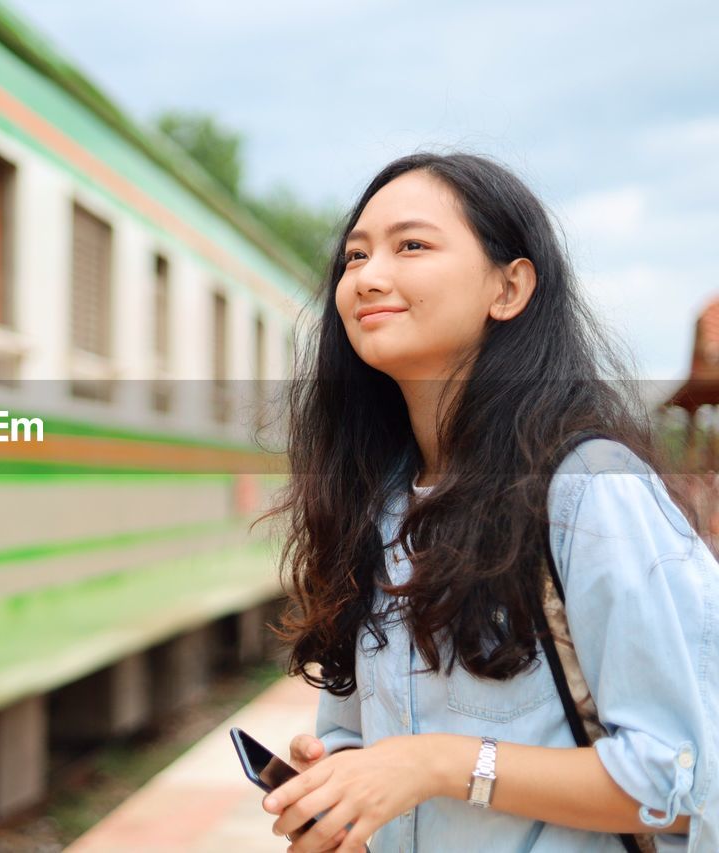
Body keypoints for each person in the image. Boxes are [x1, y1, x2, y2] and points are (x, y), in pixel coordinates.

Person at [256, 152, 717, 851]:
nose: (367, 276)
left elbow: (688, 781)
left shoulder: (589, 490)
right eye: (354, 255)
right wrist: (345, 789)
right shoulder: (373, 506)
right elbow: (352, 734)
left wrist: (437, 763)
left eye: (412, 245)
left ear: (510, 288)